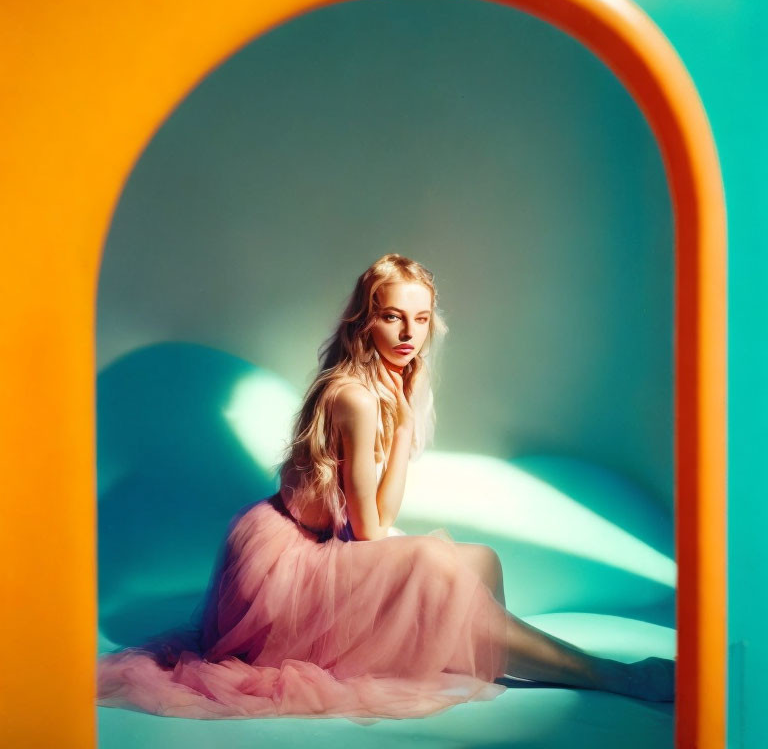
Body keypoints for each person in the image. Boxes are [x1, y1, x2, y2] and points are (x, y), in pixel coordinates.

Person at [97, 253, 675, 721]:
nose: (408, 334)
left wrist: (402, 421)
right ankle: (606, 673)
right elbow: (373, 531)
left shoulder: (382, 392)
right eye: (393, 317)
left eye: (420, 319)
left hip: (324, 542)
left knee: (481, 563)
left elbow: (377, 513)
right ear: (365, 320)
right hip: (282, 570)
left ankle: (497, 648)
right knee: (434, 562)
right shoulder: (352, 396)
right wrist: (393, 430)